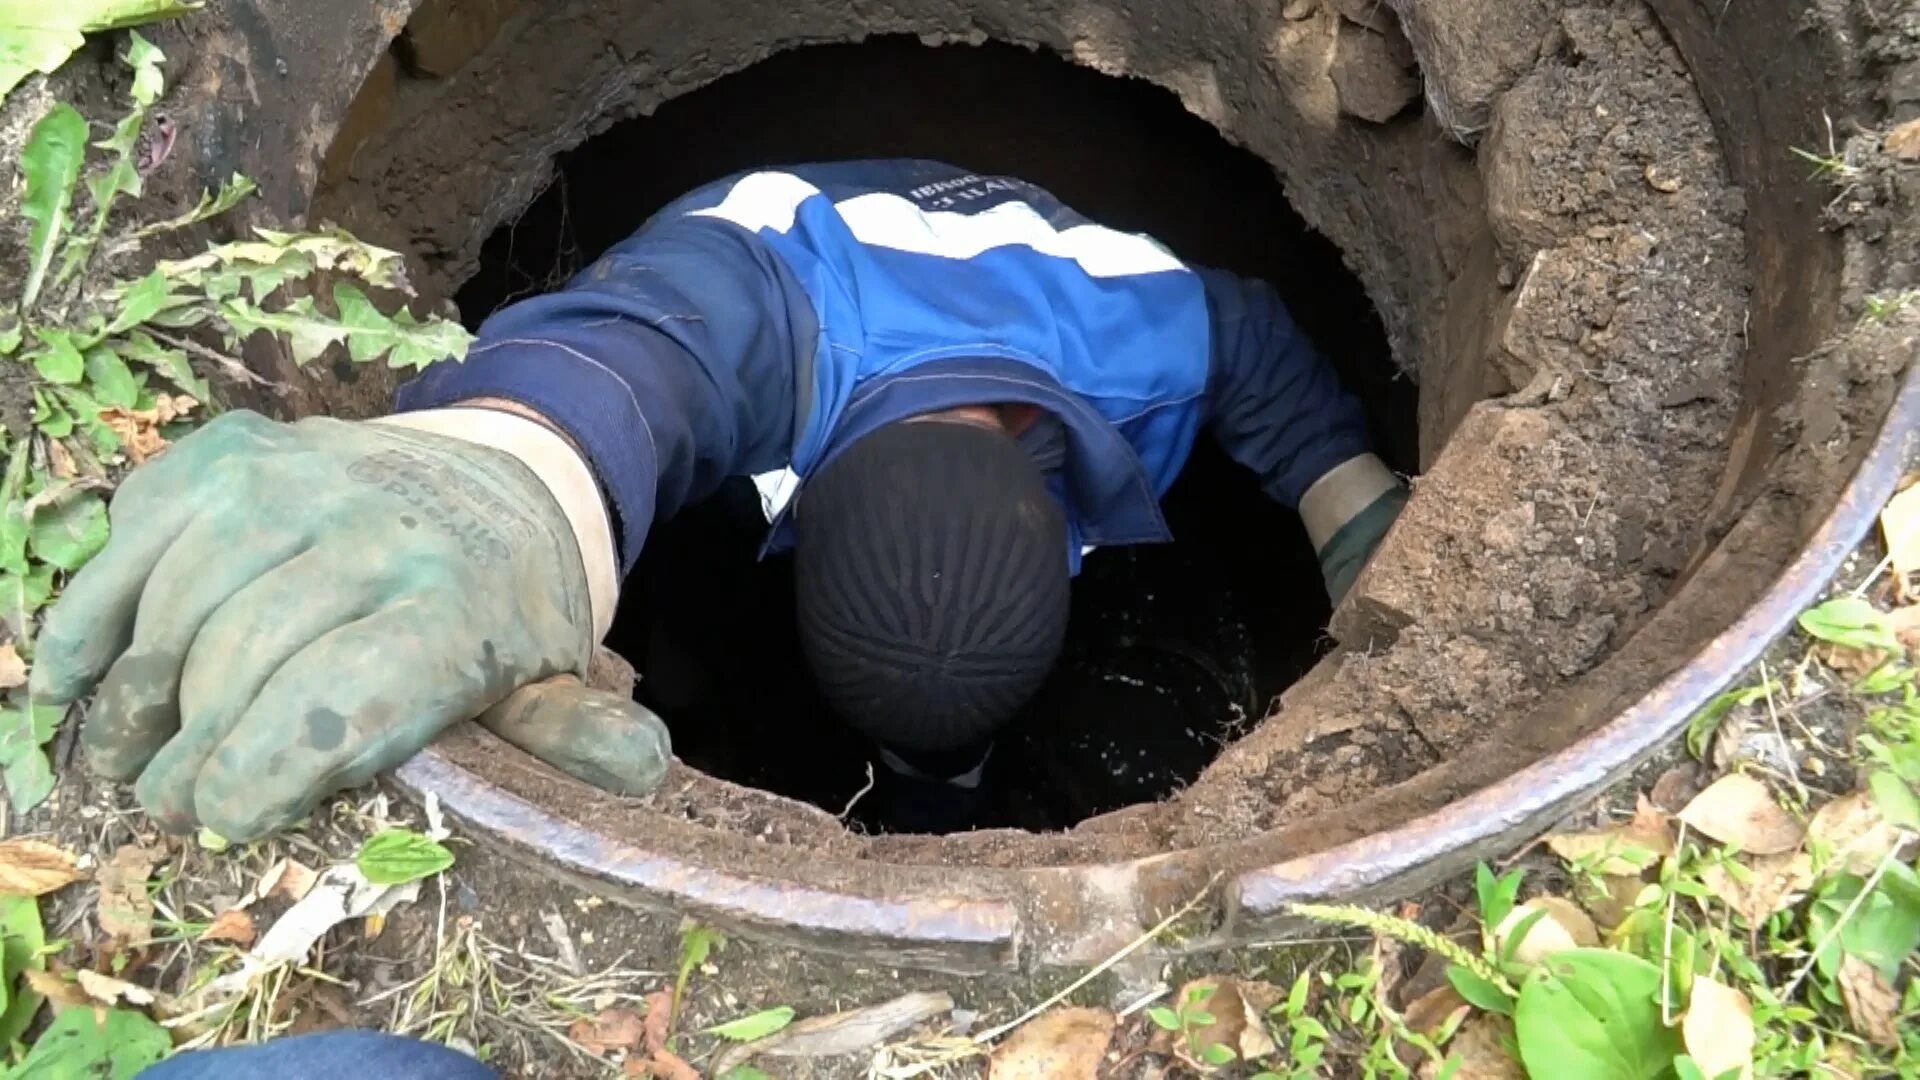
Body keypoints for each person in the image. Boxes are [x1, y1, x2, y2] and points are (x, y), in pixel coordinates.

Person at [30, 160, 1407, 841]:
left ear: (1069, 515)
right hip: (808, 235)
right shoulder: (756, 313)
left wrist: (1359, 519)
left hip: (1023, 263)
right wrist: (513, 476)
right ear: (793, 522)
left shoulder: (1156, 332)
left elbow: (1262, 356)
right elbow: (637, 363)